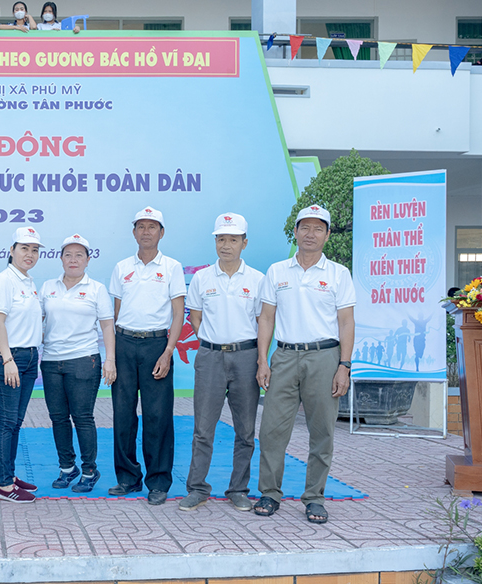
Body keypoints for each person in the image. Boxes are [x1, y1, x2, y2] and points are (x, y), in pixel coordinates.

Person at [254, 205, 355, 525]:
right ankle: (270, 493)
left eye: (318, 229)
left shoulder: (338, 274)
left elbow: (346, 322)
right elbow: (266, 318)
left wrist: (344, 366)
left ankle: (314, 498)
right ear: (295, 232)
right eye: (305, 228)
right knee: (271, 430)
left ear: (327, 235)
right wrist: (262, 359)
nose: (311, 234)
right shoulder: (277, 271)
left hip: (324, 357)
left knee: (322, 431)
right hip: (284, 357)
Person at [179, 213, 263, 513]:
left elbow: (262, 322)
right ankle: (197, 488)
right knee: (203, 428)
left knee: (245, 430)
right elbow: (196, 317)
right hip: (211, 357)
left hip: (246, 356)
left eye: (233, 239)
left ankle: (238, 489)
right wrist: (213, 342)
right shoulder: (202, 278)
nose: (226, 245)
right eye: (221, 239)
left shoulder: (257, 280)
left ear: (244, 243)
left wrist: (258, 358)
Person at [108, 206, 185, 505]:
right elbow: (115, 314)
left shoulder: (172, 267)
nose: (146, 232)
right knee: (123, 414)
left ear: (161, 233)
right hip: (125, 344)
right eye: (141, 226)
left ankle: (158, 481)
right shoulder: (121, 267)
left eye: (152, 227)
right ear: (133, 232)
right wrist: (113, 352)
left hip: (156, 346)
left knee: (157, 416)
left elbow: (178, 313)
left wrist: (168, 352)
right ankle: (127, 477)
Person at [40, 234, 116, 493]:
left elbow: (107, 326)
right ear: (61, 258)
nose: (73, 260)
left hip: (84, 360)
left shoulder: (96, 289)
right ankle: (66, 468)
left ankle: (89, 470)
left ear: (88, 259)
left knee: (82, 418)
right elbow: (36, 321)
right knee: (58, 418)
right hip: (51, 361)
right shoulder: (48, 287)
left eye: (79, 255)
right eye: (68, 255)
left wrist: (110, 360)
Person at [0, 227, 44, 502]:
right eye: (24, 248)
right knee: (7, 422)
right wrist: (7, 359)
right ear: (11, 251)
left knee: (16, 422)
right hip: (9, 358)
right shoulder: (3, 281)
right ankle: (3, 486)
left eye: (34, 250)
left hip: (29, 358)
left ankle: (8, 475)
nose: (29, 254)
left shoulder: (28, 281)